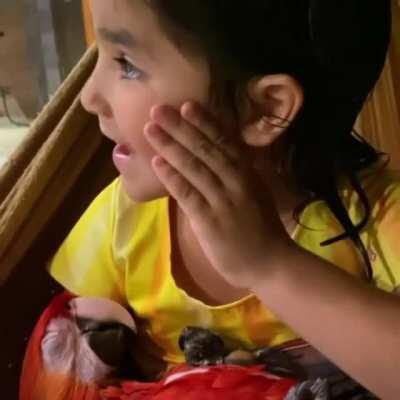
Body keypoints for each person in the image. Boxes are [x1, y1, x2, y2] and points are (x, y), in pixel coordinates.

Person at [21, 1, 399, 399]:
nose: (88, 97)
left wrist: (268, 265)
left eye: (126, 64)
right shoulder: (122, 222)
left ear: (265, 109)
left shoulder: (376, 219)